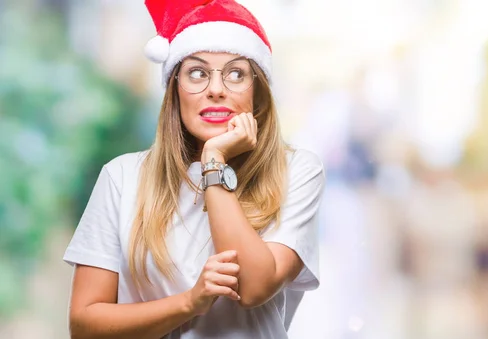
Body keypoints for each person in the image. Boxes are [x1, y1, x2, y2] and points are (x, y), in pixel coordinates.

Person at [62, 1, 326, 338]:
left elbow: (255, 286)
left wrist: (213, 162)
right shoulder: (122, 177)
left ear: (257, 91)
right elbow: (85, 326)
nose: (216, 90)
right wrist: (189, 302)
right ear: (175, 88)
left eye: (235, 73)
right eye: (198, 73)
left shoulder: (297, 170)